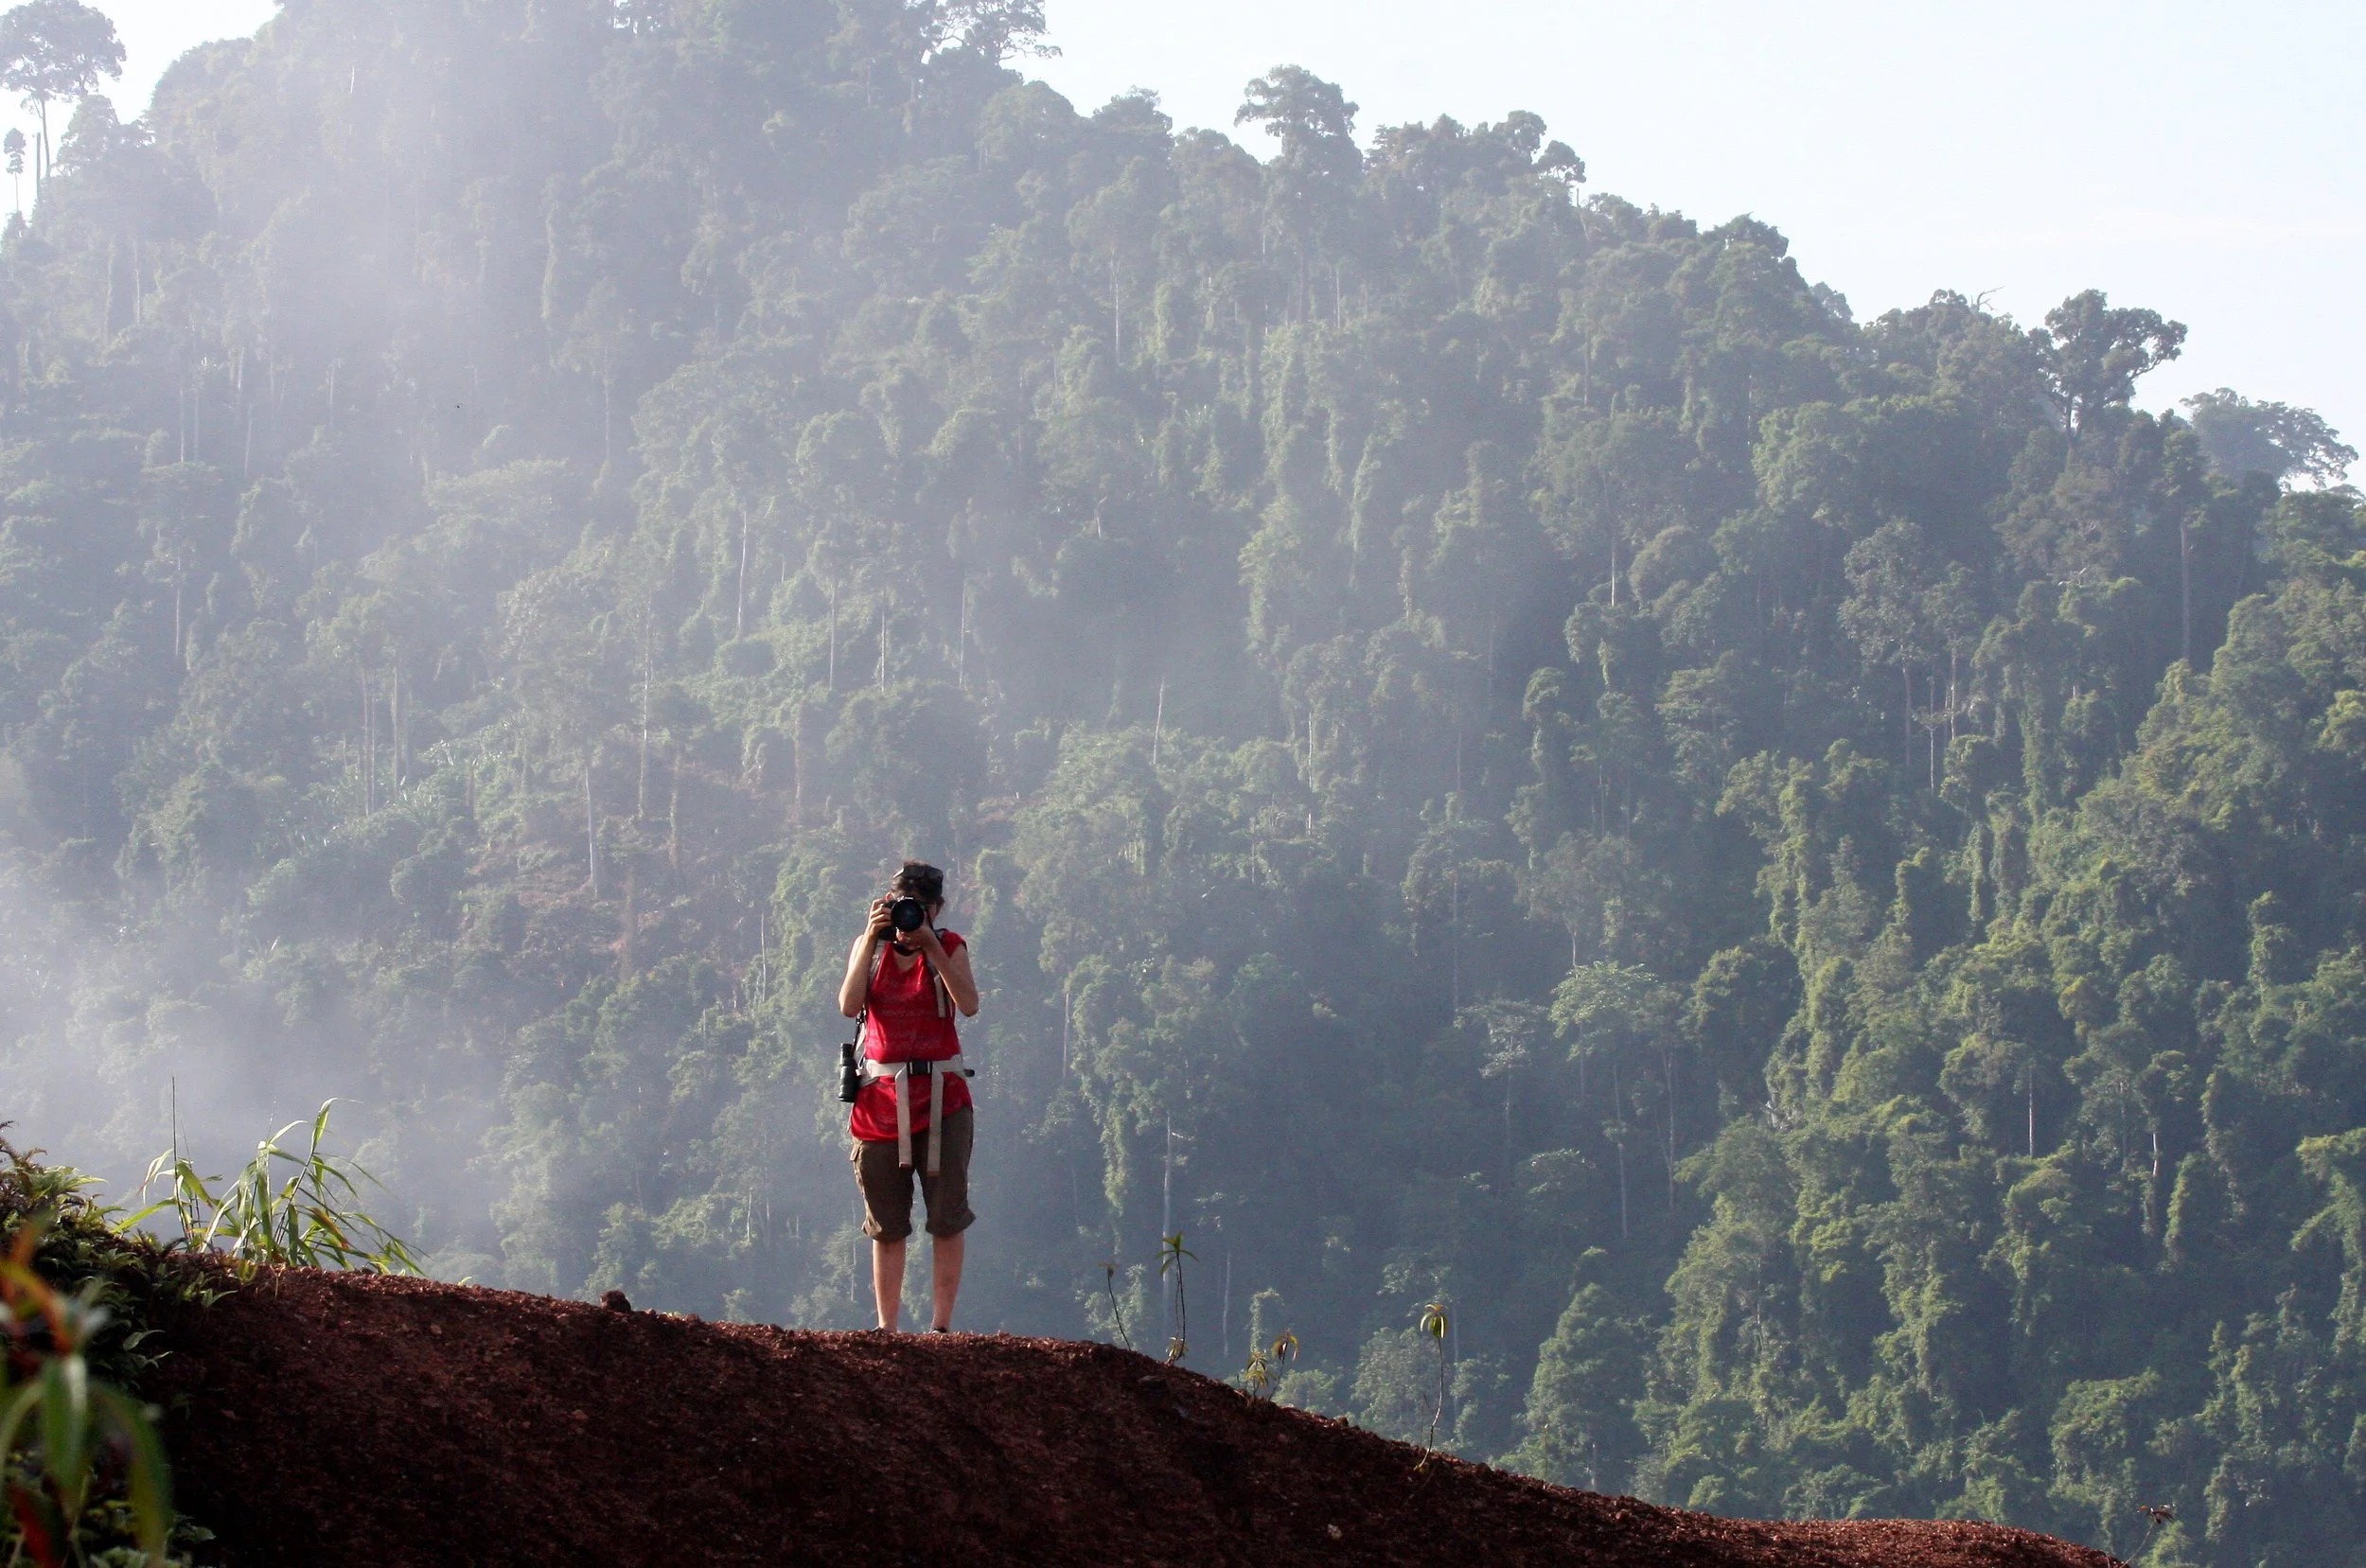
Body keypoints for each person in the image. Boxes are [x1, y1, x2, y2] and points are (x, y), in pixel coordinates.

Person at [837, 860, 980, 1331]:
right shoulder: (870, 950)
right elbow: (849, 1005)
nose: (910, 916)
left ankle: (940, 1326)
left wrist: (932, 947)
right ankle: (887, 1328)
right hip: (880, 1101)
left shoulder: (951, 947)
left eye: (921, 907)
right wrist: (869, 937)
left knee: (946, 1216)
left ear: (937, 909)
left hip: (943, 1099)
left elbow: (969, 1004)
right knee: (887, 1223)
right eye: (903, 905)